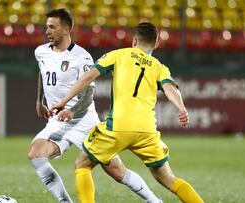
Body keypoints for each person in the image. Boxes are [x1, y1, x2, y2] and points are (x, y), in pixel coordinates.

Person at [50, 22, 204, 203]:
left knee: (82, 164)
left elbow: (88, 77)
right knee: (169, 179)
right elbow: (170, 89)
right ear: (156, 44)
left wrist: (63, 101)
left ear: (134, 40)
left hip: (118, 127)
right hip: (147, 131)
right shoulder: (159, 67)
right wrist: (182, 108)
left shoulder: (118, 55)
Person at [28, 8, 162, 203]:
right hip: (58, 122)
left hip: (84, 121)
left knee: (116, 171)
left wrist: (71, 110)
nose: (47, 31)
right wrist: (39, 100)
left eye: (52, 27)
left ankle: (154, 200)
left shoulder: (82, 57)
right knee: (36, 154)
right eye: (46, 27)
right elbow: (43, 73)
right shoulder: (40, 52)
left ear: (66, 29)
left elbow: (88, 94)